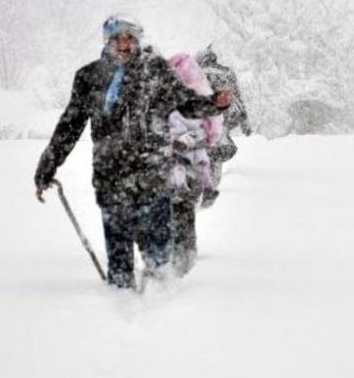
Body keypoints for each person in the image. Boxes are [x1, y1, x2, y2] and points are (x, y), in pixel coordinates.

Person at [34, 15, 232, 289]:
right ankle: (121, 312)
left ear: (138, 41)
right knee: (119, 264)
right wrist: (47, 166)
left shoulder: (156, 73)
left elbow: (186, 104)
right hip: (110, 180)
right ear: (108, 40)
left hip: (153, 177)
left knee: (159, 260)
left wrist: (214, 104)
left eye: (130, 39)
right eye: (119, 39)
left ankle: (161, 310)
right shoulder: (90, 78)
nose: (125, 45)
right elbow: (69, 127)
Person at [166, 52, 224, 276]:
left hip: (178, 170)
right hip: (182, 169)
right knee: (182, 213)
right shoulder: (194, 97)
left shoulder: (179, 103)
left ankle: (181, 261)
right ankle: (182, 259)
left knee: (179, 212)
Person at [195, 46, 252, 207]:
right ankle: (211, 191)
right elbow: (237, 98)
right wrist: (244, 123)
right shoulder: (227, 73)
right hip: (222, 123)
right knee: (215, 157)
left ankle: (204, 193)